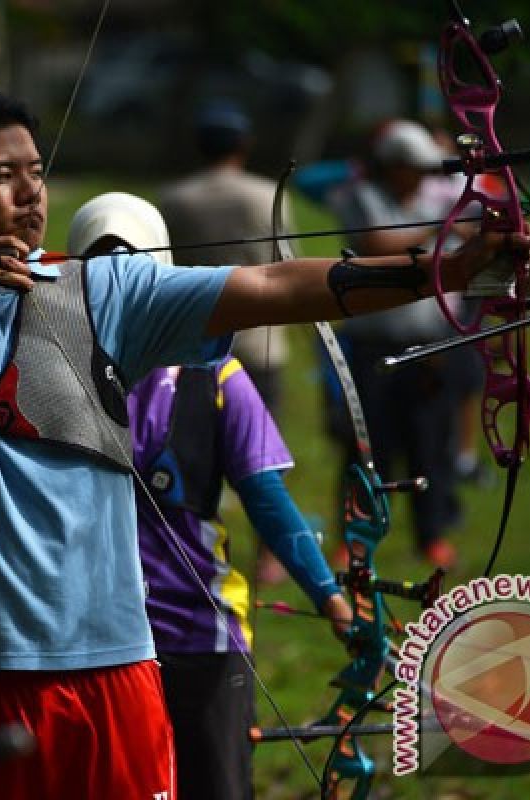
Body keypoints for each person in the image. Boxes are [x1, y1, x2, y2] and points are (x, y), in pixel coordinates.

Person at [0, 86, 530, 799]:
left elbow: (275, 285)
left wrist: (448, 271)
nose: (30, 197)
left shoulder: (103, 291)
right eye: (0, 178)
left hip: (107, 670)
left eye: (35, 174)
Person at [68, 192, 352, 800]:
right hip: (87, 641)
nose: (118, 285)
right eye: (101, 269)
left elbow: (266, 499)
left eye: (134, 269)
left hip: (197, 635)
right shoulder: (47, 372)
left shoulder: (216, 377)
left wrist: (328, 594)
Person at [327, 118, 477, 570]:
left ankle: (431, 536)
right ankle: (355, 537)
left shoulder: (439, 199)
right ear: (393, 167)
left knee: (428, 442)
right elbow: (377, 245)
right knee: (367, 448)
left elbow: (469, 245)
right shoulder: (362, 197)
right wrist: (437, 229)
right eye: (415, 167)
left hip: (431, 347)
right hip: (374, 349)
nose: (424, 176)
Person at [159, 100, 294, 586]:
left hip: (193, 340)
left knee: (189, 454)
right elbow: (287, 262)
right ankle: (271, 557)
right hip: (258, 340)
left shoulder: (174, 199)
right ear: (244, 144)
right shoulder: (264, 195)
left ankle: (181, 548)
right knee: (263, 457)